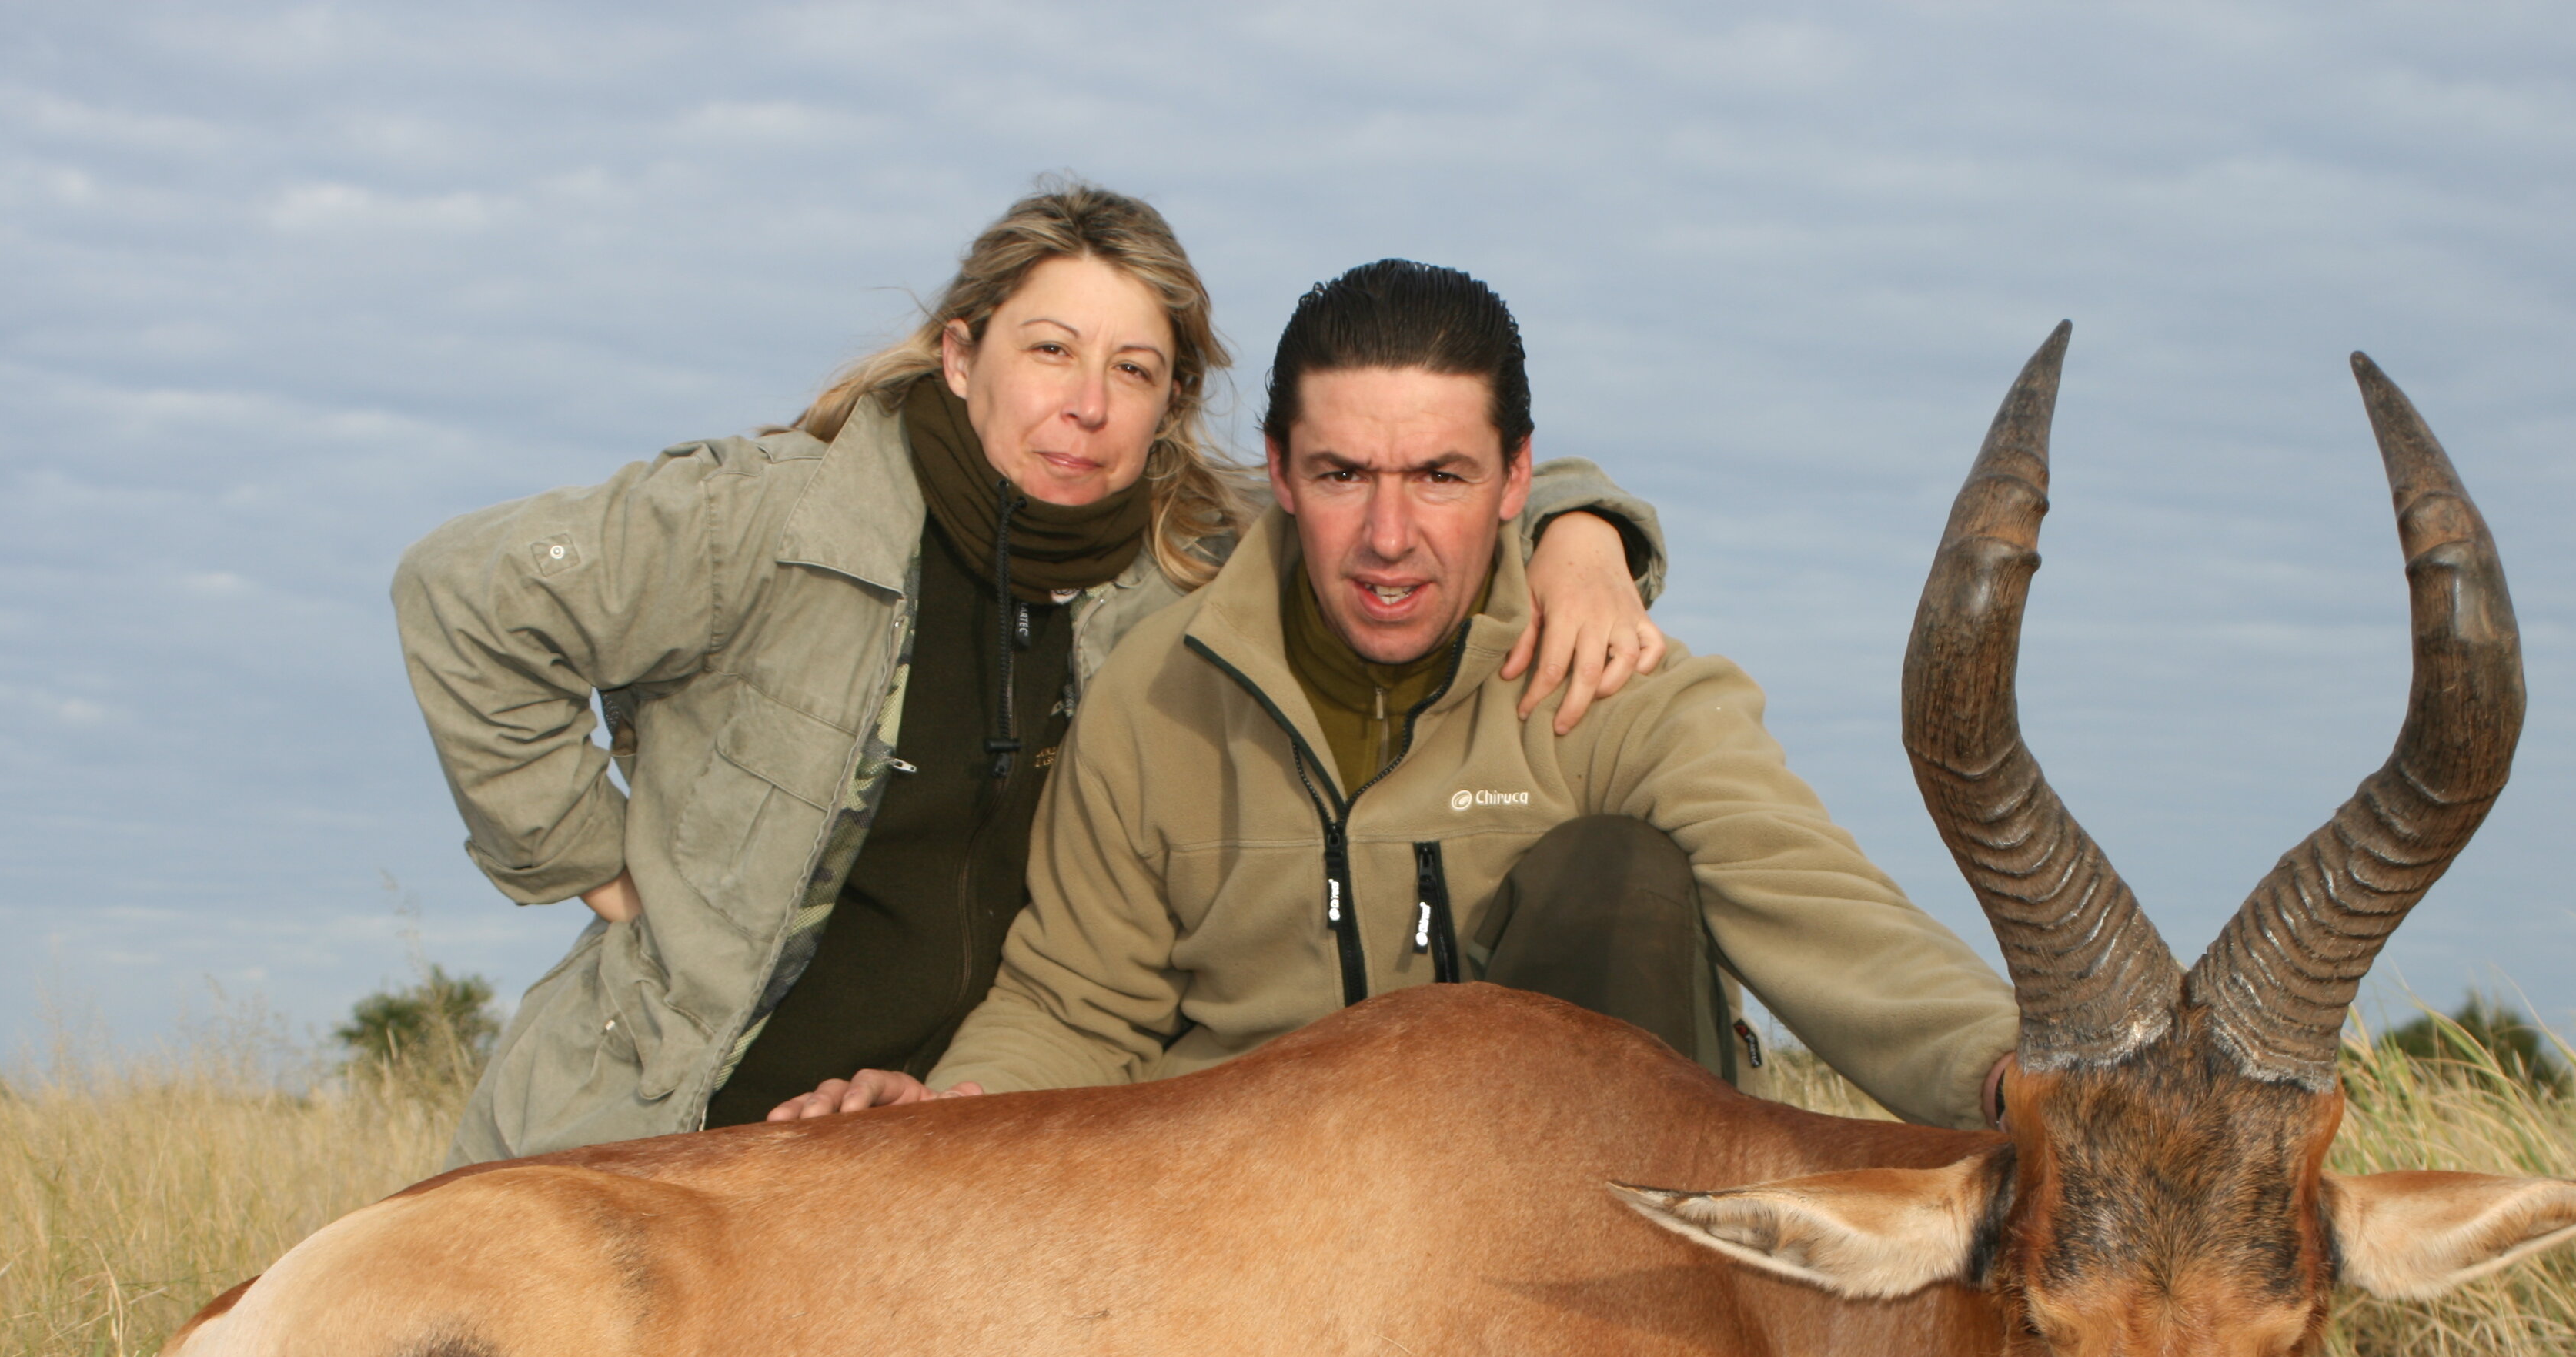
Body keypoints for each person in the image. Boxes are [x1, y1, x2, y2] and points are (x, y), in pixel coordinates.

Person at [398, 188, 1670, 1165]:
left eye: (1133, 370)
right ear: (962, 355)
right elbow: (464, 590)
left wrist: (1580, 529)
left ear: (1172, 400)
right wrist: (581, 856)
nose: (1087, 404)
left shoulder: (1195, 570)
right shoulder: (769, 519)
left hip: (974, 1135)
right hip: (664, 1120)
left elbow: (1395, 496)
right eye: (1051, 351)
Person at [774, 259, 2015, 1132]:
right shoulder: (1156, 694)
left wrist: (2015, 1077)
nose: (1387, 535)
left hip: (1553, 1221)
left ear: (1520, 476)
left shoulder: (1608, 679)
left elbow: (1817, 901)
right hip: (1250, 1222)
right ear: (1280, 473)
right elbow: (1076, 1005)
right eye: (1342, 473)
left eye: (1439, 475)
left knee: (1620, 875)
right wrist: (946, 1117)